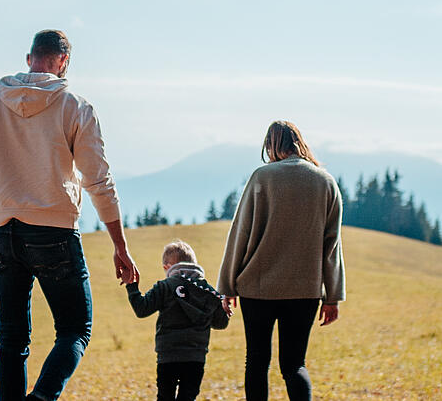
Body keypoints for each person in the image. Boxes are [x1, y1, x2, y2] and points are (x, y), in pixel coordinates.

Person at [0, 29, 140, 401]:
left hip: (1, 233)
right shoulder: (76, 107)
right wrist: (120, 247)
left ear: (29, 59)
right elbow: (98, 182)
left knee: (12, 339)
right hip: (54, 232)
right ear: (63, 61)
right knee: (75, 330)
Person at [218, 121, 346, 401]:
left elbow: (240, 233)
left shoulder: (262, 177)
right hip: (304, 291)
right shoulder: (325, 182)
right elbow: (331, 245)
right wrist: (333, 297)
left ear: (270, 145)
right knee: (294, 364)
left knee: (256, 361)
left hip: (256, 289)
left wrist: (226, 286)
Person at [125, 240, 232, 401]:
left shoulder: (165, 286)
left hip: (168, 356)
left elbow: (142, 309)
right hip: (195, 357)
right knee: (187, 397)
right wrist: (224, 309)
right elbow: (220, 323)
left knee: (165, 396)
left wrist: (132, 286)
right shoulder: (209, 292)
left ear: (167, 267)